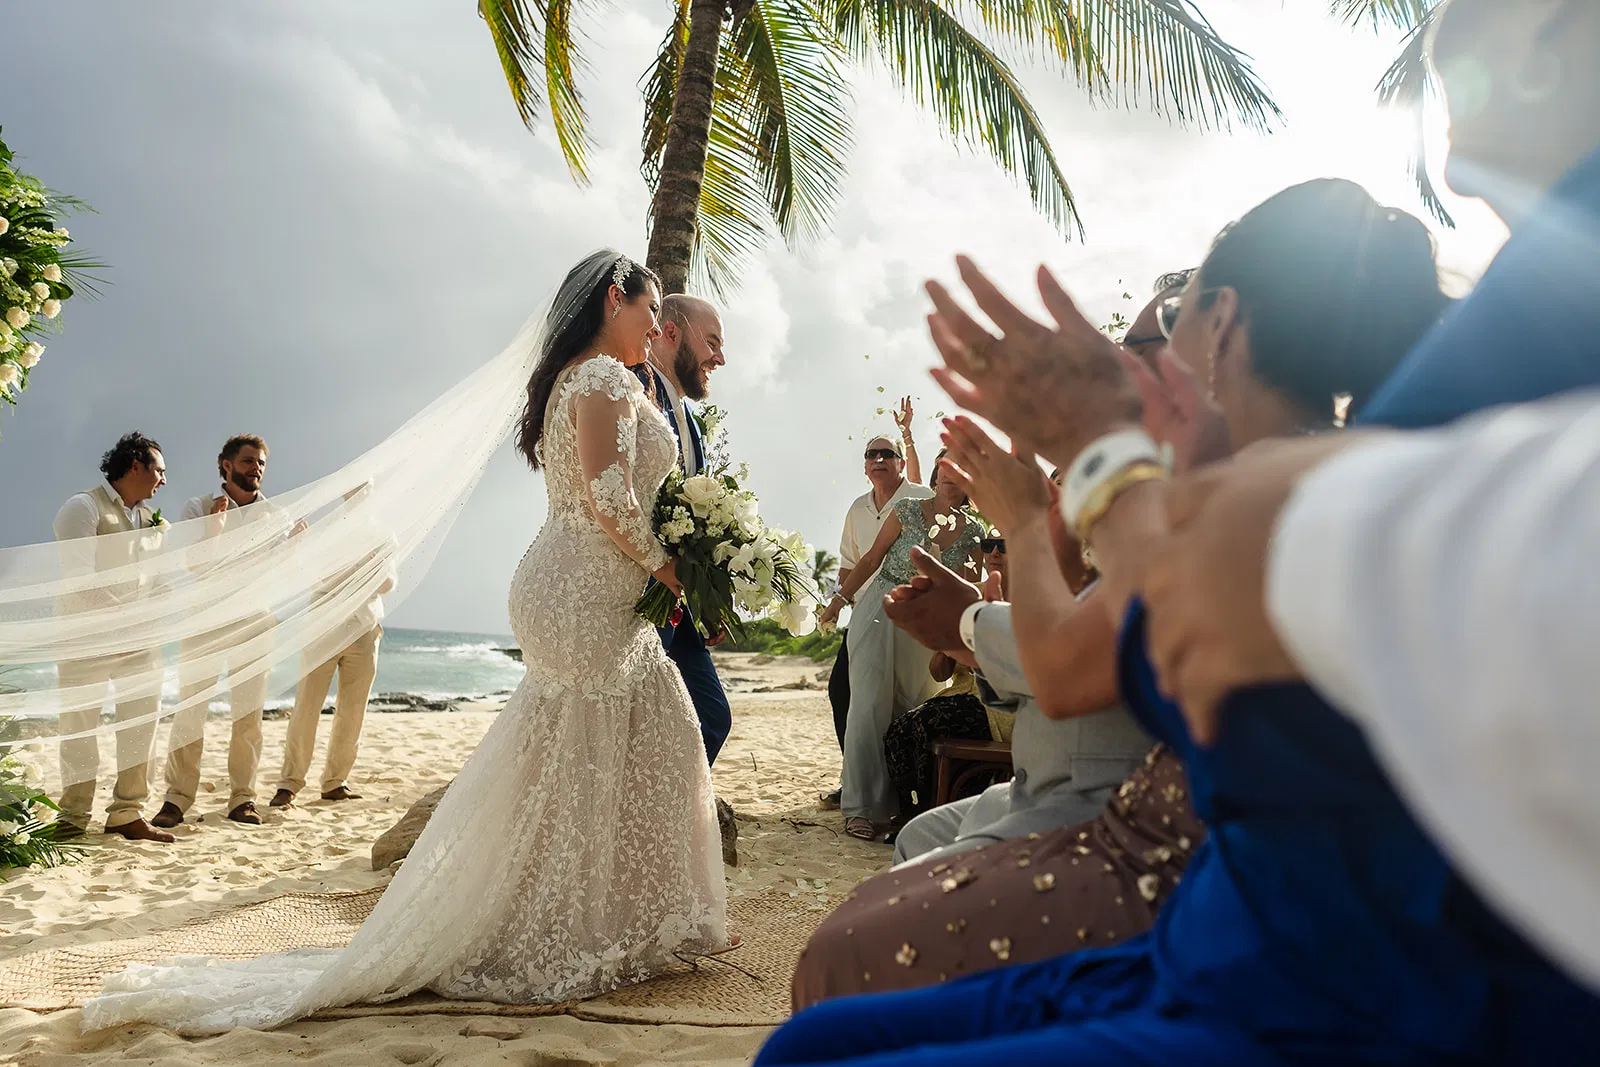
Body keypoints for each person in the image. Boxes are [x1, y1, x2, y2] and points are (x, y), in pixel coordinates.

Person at [759, 170, 1600, 1064]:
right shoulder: (1322, 476)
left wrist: (1084, 465)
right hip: (1223, 919)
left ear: (1223, 324)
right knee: (820, 1030)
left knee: (821, 1021)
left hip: (1282, 957)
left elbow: (1095, 654)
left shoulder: (1296, 488)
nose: (1139, 367)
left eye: (1160, 334)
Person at [81, 250, 730, 1035]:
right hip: (584, 591)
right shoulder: (598, 380)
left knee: (605, 743)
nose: (656, 326)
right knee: (627, 736)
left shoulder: (585, 380)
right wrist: (675, 568)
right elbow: (606, 499)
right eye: (648, 310)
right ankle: (572, 922)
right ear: (610, 299)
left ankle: (595, 914)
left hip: (581, 587)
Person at [821, 451, 980, 840]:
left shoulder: (975, 533)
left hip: (926, 625)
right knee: (867, 704)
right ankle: (859, 807)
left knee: (911, 707)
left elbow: (970, 593)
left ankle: (896, 806)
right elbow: (871, 558)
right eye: (945, 465)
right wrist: (838, 601)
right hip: (881, 607)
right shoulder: (907, 509)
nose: (949, 473)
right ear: (935, 472)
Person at [50, 432, 174, 844]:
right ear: (135, 466)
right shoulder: (82, 507)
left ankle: (127, 813)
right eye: (159, 469)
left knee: (142, 724)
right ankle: (73, 814)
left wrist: (153, 616)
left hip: (141, 642)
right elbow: (79, 578)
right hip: (85, 638)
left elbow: (159, 581)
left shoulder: (155, 521)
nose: (164, 480)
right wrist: (126, 617)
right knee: (80, 725)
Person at [153, 435, 282, 829]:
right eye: (247, 461)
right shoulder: (199, 507)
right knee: (190, 711)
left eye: (259, 462)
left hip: (255, 621)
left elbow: (276, 570)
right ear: (225, 464)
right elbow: (193, 565)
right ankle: (177, 798)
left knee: (249, 717)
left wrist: (293, 545)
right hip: (204, 621)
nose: (255, 468)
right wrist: (215, 529)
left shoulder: (275, 516)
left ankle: (243, 798)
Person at [630, 293, 734, 763]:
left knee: (712, 719)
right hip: (636, 593)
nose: (720, 357)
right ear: (671, 333)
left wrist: (707, 596)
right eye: (711, 341)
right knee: (641, 725)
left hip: (677, 601)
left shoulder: (690, 417)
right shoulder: (633, 391)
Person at [819, 401, 926, 809]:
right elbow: (850, 564)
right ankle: (858, 781)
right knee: (842, 692)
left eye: (887, 454)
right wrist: (838, 602)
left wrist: (910, 435)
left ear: (900, 463)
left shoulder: (917, 497)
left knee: (899, 701)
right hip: (864, 618)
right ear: (864, 466)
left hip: (908, 617)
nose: (879, 459)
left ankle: (894, 787)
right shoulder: (856, 509)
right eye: (872, 454)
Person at [272, 484, 397, 809]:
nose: (358, 496)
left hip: (365, 630)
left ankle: (335, 782)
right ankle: (289, 783)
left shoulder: (384, 534)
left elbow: (387, 584)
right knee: (307, 707)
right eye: (353, 491)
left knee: (353, 710)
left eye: (364, 491)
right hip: (323, 630)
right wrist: (360, 569)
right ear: (345, 495)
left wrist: (367, 569)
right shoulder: (328, 532)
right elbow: (318, 579)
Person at [880, 532, 1008, 823]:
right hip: (962, 698)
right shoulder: (967, 594)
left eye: (1004, 546)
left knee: (927, 724)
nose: (994, 553)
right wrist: (948, 644)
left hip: (1002, 709)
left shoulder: (1030, 600)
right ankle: (911, 814)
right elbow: (940, 673)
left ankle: (932, 815)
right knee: (899, 730)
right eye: (988, 546)